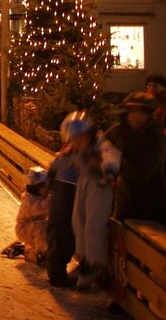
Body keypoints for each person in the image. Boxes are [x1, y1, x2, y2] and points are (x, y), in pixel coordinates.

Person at [103, 92, 166, 227]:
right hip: (126, 199)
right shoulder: (118, 131)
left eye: (142, 112)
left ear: (149, 114)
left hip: (154, 201)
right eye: (133, 111)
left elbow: (141, 173)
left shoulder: (154, 135)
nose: (137, 116)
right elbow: (99, 149)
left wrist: (116, 158)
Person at [72, 114, 120, 290]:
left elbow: (112, 161)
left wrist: (104, 170)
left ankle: (94, 266)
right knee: (78, 221)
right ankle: (85, 260)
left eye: (78, 138)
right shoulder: (81, 149)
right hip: (85, 183)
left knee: (93, 225)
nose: (75, 142)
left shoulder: (102, 145)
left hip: (99, 186)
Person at [46, 111, 87, 288]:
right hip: (66, 195)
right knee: (62, 236)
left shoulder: (70, 155)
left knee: (62, 235)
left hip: (66, 195)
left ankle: (58, 273)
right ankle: (57, 276)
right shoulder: (71, 156)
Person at [12, 167, 49, 266]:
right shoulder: (29, 200)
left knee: (46, 226)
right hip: (23, 229)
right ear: (36, 188)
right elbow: (42, 207)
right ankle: (39, 254)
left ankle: (26, 248)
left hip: (33, 230)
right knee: (42, 226)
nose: (48, 191)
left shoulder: (38, 197)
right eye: (45, 188)